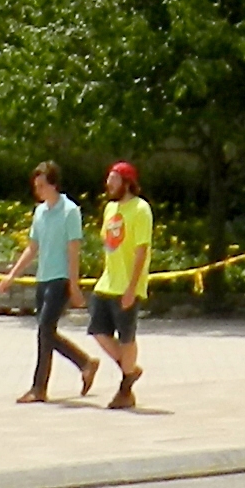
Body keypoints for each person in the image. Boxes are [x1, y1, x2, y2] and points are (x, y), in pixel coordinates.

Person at [0, 160, 97, 403]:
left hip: (60, 279)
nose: (37, 190)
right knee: (45, 332)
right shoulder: (40, 212)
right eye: (36, 185)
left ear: (53, 185)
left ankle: (42, 385)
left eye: (41, 185)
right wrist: (12, 275)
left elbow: (73, 250)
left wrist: (74, 284)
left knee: (44, 330)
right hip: (43, 278)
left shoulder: (70, 211)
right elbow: (32, 248)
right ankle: (83, 364)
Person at [88, 160, 156, 411]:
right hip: (107, 282)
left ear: (127, 183)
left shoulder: (141, 209)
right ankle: (130, 369)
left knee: (127, 337)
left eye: (114, 179)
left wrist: (132, 287)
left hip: (127, 285)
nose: (108, 184)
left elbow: (141, 250)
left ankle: (125, 389)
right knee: (98, 330)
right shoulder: (110, 209)